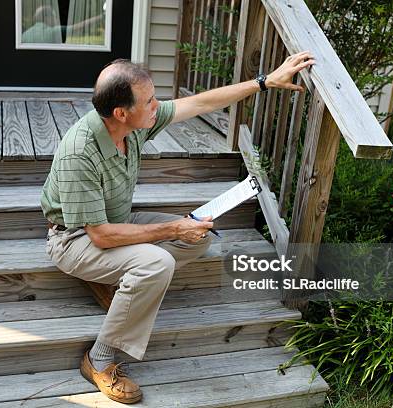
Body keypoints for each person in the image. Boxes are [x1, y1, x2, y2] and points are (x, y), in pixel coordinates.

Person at [40, 52, 315, 404]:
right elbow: (101, 236)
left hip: (114, 223)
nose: (158, 105)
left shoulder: (134, 124)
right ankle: (99, 360)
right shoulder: (80, 151)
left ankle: (116, 281)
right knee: (157, 263)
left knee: (197, 241)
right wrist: (172, 228)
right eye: (150, 100)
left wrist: (263, 82)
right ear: (122, 113)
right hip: (73, 238)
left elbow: (199, 103)